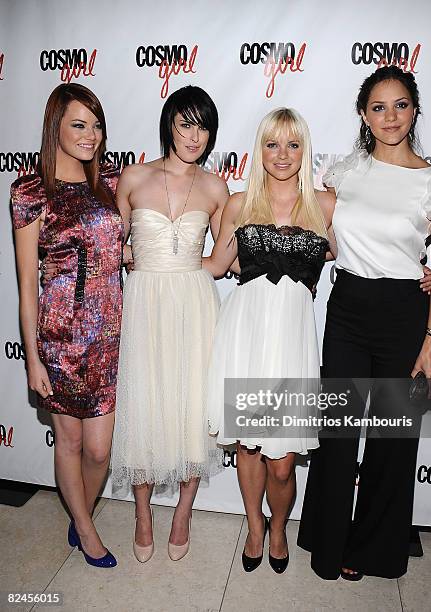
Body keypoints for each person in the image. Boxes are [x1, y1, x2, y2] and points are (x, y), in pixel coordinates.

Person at [297, 65, 431, 581]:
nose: (390, 116)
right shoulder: (345, 173)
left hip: (404, 317)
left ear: (415, 110)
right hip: (346, 306)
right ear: (363, 116)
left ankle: (372, 548)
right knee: (338, 431)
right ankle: (327, 540)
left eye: (400, 105)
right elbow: (317, 232)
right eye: (377, 107)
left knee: (393, 440)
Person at [204, 108, 335, 573]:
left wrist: (417, 271)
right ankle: (256, 528)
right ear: (259, 150)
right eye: (272, 144)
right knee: (248, 446)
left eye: (293, 144)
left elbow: (367, 253)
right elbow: (214, 266)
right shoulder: (239, 204)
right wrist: (144, 258)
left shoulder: (326, 205)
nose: (282, 155)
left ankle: (279, 525)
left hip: (293, 342)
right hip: (246, 335)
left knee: (283, 462)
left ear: (305, 150)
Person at [110, 86, 229, 563]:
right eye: (185, 123)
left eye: (202, 126)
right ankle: (142, 514)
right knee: (145, 404)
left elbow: (224, 262)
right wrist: (147, 260)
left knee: (190, 408)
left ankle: (183, 512)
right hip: (144, 303)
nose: (193, 135)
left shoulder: (217, 188)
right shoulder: (133, 178)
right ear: (168, 125)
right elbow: (109, 247)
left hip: (196, 304)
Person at [11, 84, 124, 568]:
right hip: (59, 340)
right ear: (54, 124)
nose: (91, 135)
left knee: (99, 451)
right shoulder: (30, 191)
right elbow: (26, 288)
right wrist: (33, 359)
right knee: (72, 442)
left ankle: (83, 511)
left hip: (108, 337)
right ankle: (83, 526)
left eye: (96, 125)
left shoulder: (113, 182)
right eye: (79, 124)